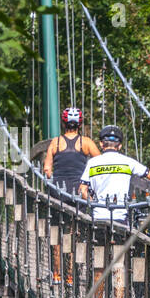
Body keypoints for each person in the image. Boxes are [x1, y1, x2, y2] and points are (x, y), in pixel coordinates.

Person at [79, 125, 150, 298]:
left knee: (99, 269)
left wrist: (92, 201)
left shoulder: (93, 163)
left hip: (99, 220)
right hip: (120, 221)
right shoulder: (128, 162)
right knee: (119, 266)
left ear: (101, 144)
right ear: (119, 145)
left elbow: (82, 188)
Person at [43, 107, 100, 286]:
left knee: (57, 234)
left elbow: (46, 169)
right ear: (79, 124)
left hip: (58, 193)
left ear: (63, 123)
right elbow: (101, 163)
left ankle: (57, 275)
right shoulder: (86, 142)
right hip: (78, 193)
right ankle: (70, 276)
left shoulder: (56, 142)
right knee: (74, 234)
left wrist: (51, 180)